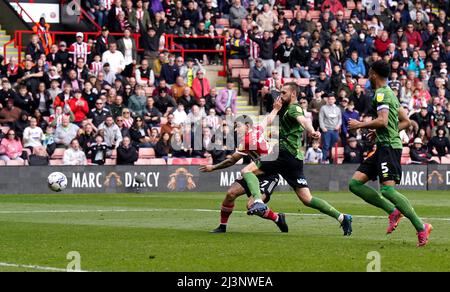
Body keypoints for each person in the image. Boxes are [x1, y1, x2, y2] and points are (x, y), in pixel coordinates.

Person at [241, 82, 352, 235]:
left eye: (284, 93)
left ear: (293, 94)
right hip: (294, 159)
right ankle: (342, 217)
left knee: (247, 170)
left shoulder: (294, 108)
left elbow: (304, 120)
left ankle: (258, 201)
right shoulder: (283, 107)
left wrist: (312, 131)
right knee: (307, 199)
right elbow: (269, 116)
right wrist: (275, 107)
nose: (281, 95)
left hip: (283, 154)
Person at [348, 60, 432, 247]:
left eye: (369, 72)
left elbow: (383, 120)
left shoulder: (381, 94)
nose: (368, 75)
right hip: (383, 146)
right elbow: (406, 121)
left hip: (389, 148)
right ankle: (393, 212)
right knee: (355, 184)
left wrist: (360, 125)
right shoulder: (391, 95)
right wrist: (379, 132)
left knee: (387, 189)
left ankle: (421, 226)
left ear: (373, 74)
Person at [200, 110, 288, 233]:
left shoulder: (246, 141)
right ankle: (222, 226)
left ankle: (278, 218)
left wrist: (213, 167)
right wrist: (276, 108)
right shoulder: (257, 130)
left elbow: (232, 161)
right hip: (254, 172)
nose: (236, 130)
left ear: (247, 126)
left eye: (238, 126)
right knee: (231, 193)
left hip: (269, 175)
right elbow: (268, 119)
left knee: (251, 205)